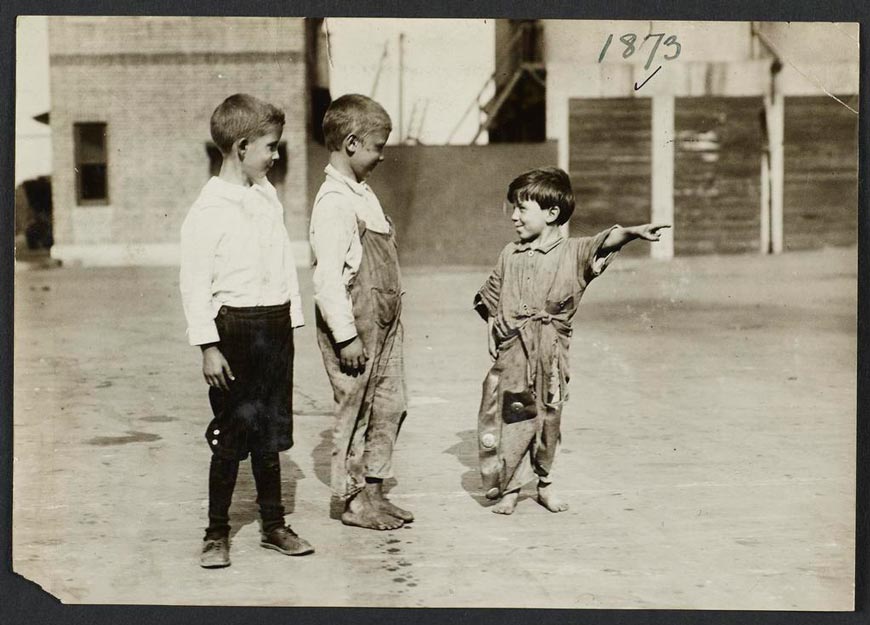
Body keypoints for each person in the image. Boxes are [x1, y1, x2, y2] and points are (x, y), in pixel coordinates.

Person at [474, 166, 670, 515]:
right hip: (514, 349)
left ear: (552, 213)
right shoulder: (509, 254)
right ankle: (511, 488)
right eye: (514, 208)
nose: (515, 217)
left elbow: (605, 240)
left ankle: (545, 483)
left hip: (551, 351)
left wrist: (634, 232)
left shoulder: (574, 252)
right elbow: (492, 294)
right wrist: (492, 325)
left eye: (522, 208)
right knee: (514, 416)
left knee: (550, 417)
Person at [180, 93, 314, 567]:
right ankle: (216, 533)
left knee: (272, 431)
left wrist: (291, 319)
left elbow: (282, 262)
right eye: (271, 147)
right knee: (233, 432)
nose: (276, 157)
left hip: (274, 326)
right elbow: (194, 284)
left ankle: (274, 525)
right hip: (233, 331)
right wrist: (208, 347)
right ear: (241, 148)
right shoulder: (208, 210)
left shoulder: (267, 196)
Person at [309, 94, 413, 531]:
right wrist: (346, 336)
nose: (382, 155)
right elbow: (327, 280)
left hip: (386, 324)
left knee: (391, 405)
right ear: (351, 143)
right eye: (377, 146)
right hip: (355, 325)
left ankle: (373, 490)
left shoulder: (362, 194)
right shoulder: (334, 202)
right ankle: (352, 501)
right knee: (358, 410)